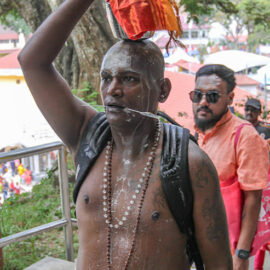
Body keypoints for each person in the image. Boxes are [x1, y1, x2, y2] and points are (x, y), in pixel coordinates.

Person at [18, 1, 232, 269]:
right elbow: (32, 61)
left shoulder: (189, 163)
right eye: (106, 77)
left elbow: (219, 265)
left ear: (162, 90)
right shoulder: (85, 133)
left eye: (129, 79)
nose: (113, 90)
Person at [191, 64, 269, 270]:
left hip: (229, 249)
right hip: (196, 244)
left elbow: (253, 200)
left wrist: (242, 254)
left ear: (230, 98)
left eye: (213, 96)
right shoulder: (195, 134)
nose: (203, 102)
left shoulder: (245, 136)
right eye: (197, 95)